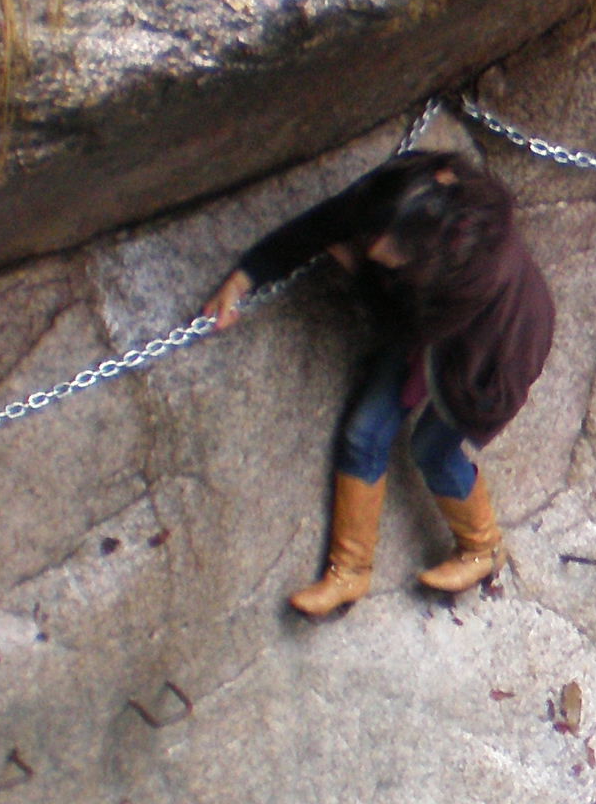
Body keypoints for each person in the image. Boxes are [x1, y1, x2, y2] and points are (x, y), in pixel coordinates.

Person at [203, 145, 555, 616]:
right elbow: (323, 225)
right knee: (364, 432)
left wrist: (356, 271)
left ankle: (482, 547)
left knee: (432, 448)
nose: (373, 251)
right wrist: (245, 277)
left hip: (492, 350)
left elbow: (401, 327)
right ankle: (349, 573)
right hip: (425, 324)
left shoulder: (473, 268)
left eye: (389, 256)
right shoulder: (400, 199)